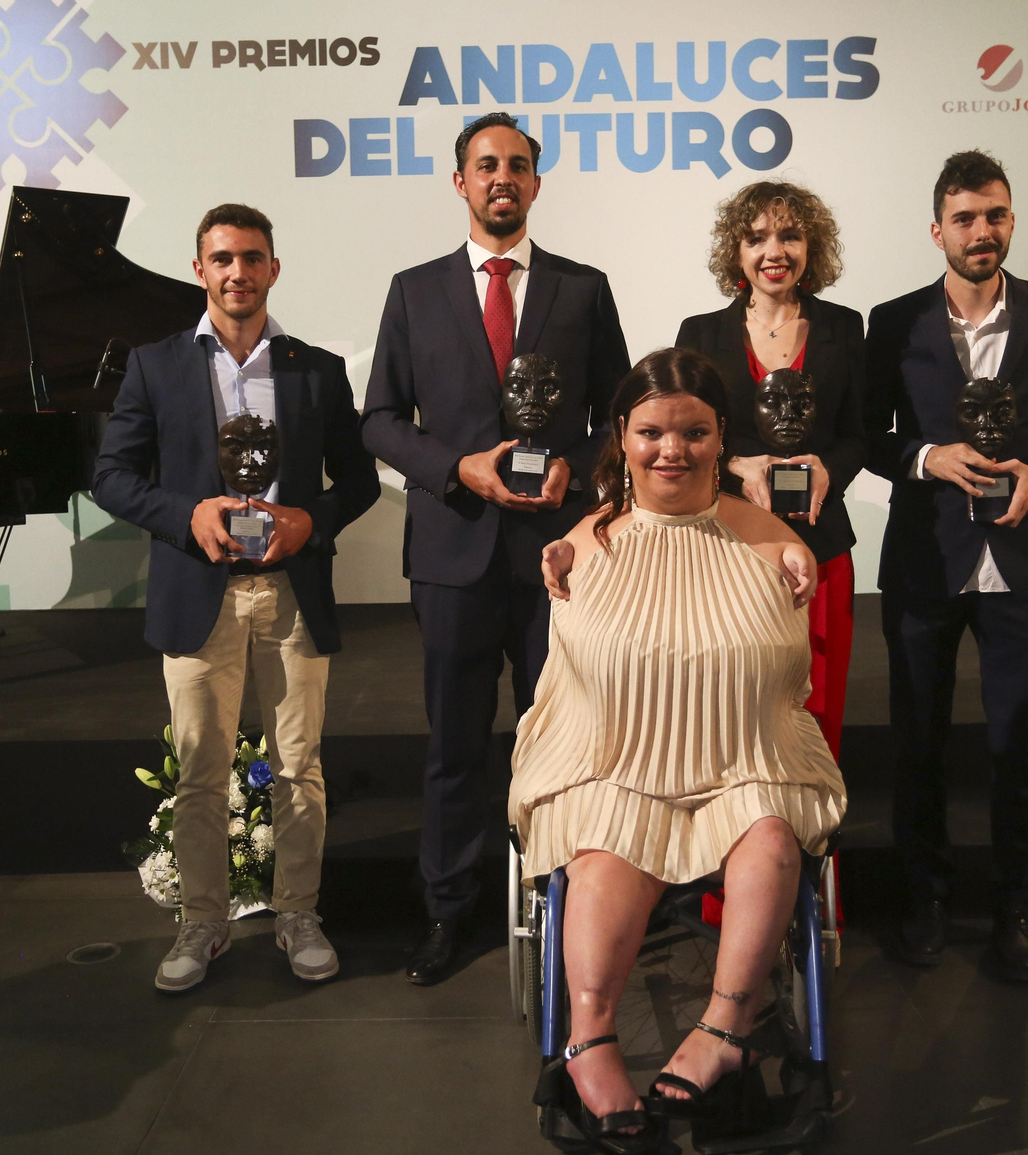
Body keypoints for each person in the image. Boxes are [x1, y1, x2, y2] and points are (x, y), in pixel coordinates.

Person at [514, 348, 846, 1152]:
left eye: (694, 432)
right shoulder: (591, 539)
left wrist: (794, 550)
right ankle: (588, 1042)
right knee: (599, 853)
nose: (673, 450)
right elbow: (586, 533)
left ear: (721, 436)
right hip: (613, 755)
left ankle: (725, 1030)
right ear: (621, 436)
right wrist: (565, 542)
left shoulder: (763, 536)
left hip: (745, 751)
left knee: (770, 838)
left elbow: (775, 541)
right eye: (652, 432)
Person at [361, 111, 631, 985]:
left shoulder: (583, 289)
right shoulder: (414, 290)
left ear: (537, 183)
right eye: (486, 165)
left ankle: (563, 904)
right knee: (455, 745)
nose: (501, 178)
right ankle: (447, 907)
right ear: (460, 182)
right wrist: (459, 468)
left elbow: (619, 424)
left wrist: (579, 477)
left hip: (559, 557)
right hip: (452, 554)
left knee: (564, 738)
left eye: (517, 165)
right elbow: (379, 420)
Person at [92, 203, 379, 991]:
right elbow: (110, 477)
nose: (237, 272)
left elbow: (355, 481)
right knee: (200, 770)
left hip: (291, 592)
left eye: (252, 258)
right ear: (200, 270)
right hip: (198, 593)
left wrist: (307, 519)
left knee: (299, 766)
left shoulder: (315, 368)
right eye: (222, 258)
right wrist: (187, 512)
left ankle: (297, 913)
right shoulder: (155, 366)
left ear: (273, 269)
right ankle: (203, 922)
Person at [863, 151, 1028, 982]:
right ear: (938, 230)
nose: (981, 231)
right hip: (926, 560)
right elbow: (870, 436)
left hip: (1022, 563)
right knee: (917, 743)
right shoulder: (892, 321)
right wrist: (927, 457)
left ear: (1011, 220)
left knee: (1018, 746)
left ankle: (1016, 905)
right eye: (964, 218)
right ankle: (925, 896)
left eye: (994, 214)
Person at [676, 180, 865, 759]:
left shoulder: (844, 327)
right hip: (730, 549)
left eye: (789, 235)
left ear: (813, 247)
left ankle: (817, 845)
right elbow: (680, 438)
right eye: (757, 238)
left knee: (819, 707)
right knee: (735, 708)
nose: (774, 251)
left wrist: (830, 468)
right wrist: (734, 464)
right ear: (736, 251)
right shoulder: (700, 334)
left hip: (823, 550)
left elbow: (860, 436)